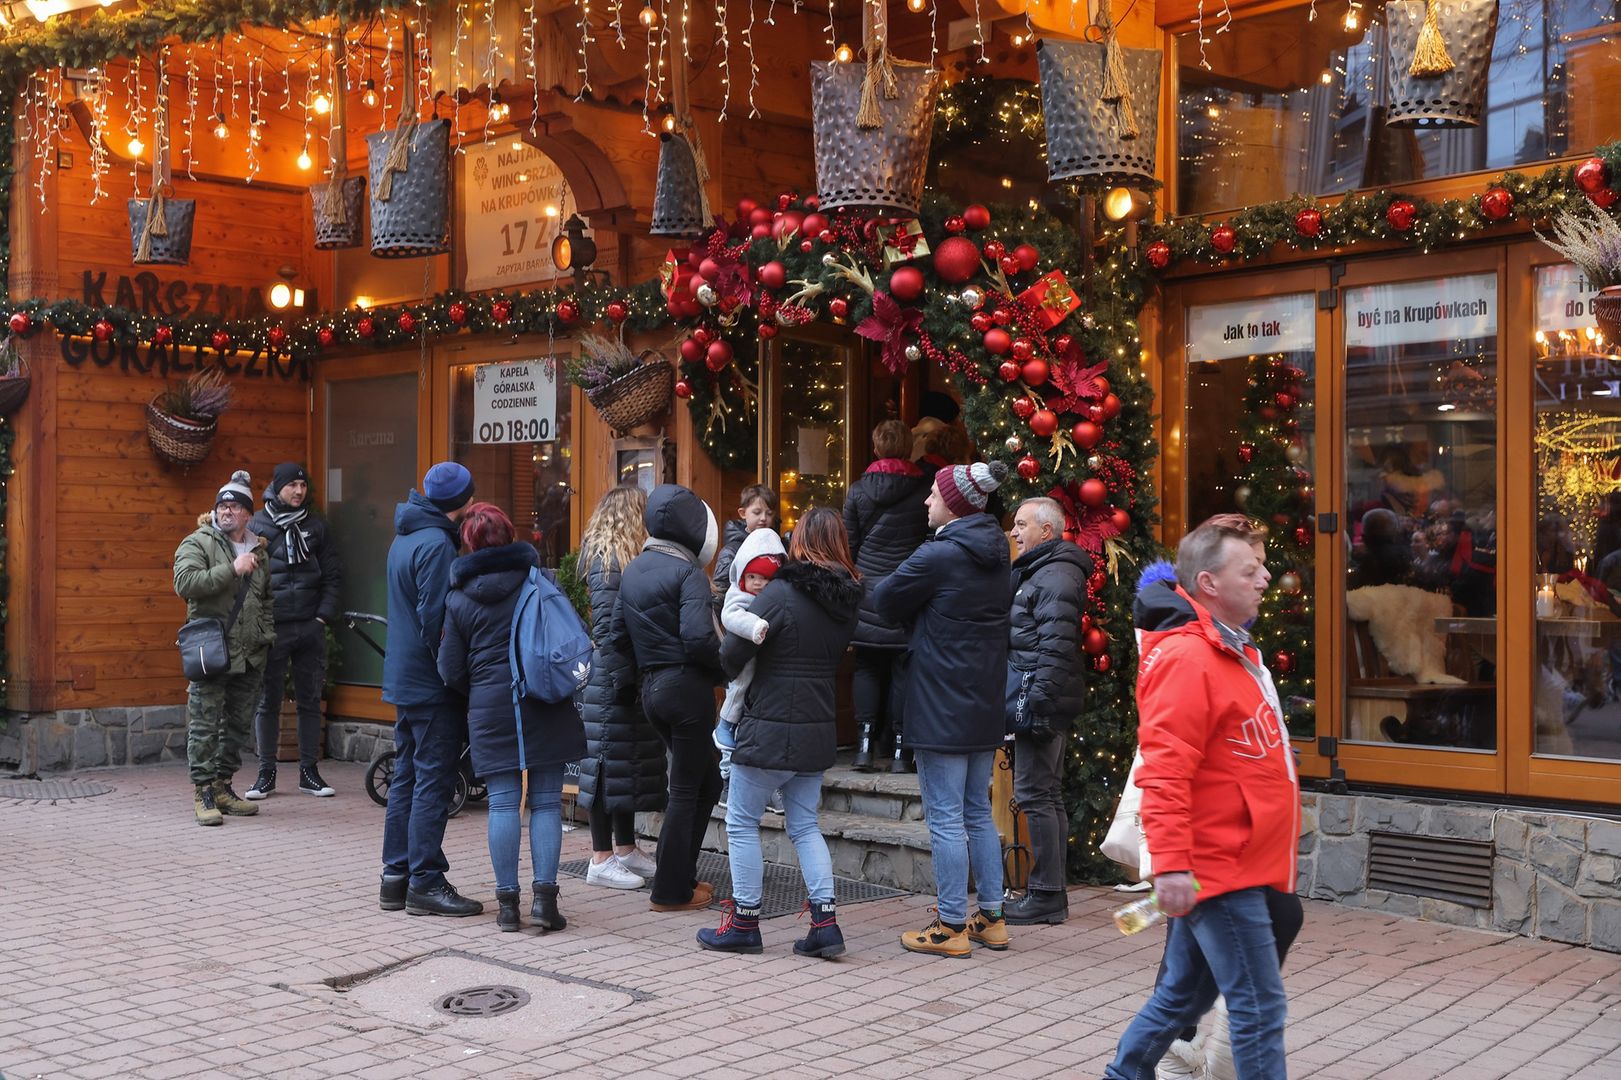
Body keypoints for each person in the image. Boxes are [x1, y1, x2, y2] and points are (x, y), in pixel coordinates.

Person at [1104, 514, 1301, 1080]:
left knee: (1180, 1002)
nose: (1266, 577)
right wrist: (1169, 864)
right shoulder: (1189, 658)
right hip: (1220, 867)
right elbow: (1163, 772)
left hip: (1232, 862)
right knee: (1260, 1008)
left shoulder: (1231, 650)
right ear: (1209, 584)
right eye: (1252, 569)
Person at [699, 507, 863, 957]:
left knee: (741, 821)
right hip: (816, 728)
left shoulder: (783, 592)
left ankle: (745, 922)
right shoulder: (847, 599)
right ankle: (825, 923)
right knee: (806, 825)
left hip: (767, 726)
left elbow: (733, 653)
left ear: (800, 542)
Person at [873, 460, 1013, 958]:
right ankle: (992, 917)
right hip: (982, 703)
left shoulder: (938, 556)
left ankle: (951, 924)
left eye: (933, 493)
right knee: (977, 812)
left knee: (947, 818)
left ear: (954, 502)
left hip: (938, 701)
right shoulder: (1001, 556)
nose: (926, 500)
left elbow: (885, 599)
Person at [437, 503, 587, 933]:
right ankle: (545, 903)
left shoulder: (459, 597)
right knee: (544, 803)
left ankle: (507, 907)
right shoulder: (538, 581)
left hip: (491, 706)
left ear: (468, 542)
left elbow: (450, 669)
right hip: (544, 701)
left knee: (503, 804)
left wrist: (480, 690)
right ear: (509, 534)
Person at [608, 483, 724, 912]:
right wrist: (727, 670)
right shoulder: (688, 573)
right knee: (689, 788)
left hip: (652, 692)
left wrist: (628, 687)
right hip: (686, 690)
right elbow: (698, 638)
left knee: (706, 781)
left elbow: (617, 638)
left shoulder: (635, 568)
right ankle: (671, 890)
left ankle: (681, 877)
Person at [379, 461, 482, 918]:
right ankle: (425, 880)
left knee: (407, 776)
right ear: (464, 503)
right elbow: (435, 623)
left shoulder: (405, 534)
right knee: (433, 780)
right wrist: (456, 674)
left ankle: (395, 878)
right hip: (431, 683)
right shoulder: (438, 543)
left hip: (404, 678)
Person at [1003, 497, 1090, 926]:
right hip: (1044, 697)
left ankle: (1045, 894)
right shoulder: (1046, 570)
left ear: (1047, 532)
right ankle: (1050, 892)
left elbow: (1055, 649)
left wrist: (1035, 702)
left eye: (1021, 525)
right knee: (1047, 793)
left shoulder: (1053, 575)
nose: (1014, 532)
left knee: (1035, 793)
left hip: (1040, 699)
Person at [174, 470, 277, 827]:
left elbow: (265, 599)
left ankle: (222, 786)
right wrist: (231, 569)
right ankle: (202, 790)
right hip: (211, 650)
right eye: (222, 505)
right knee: (205, 724)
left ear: (249, 514)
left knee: (236, 726)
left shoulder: (259, 550)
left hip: (250, 653)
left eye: (235, 506)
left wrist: (266, 635)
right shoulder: (198, 543)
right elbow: (186, 583)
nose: (227, 511)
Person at [576, 486, 665, 891]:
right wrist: (623, 680)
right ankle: (600, 858)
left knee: (622, 766)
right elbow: (610, 630)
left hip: (618, 677)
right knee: (604, 767)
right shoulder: (609, 561)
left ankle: (625, 849)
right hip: (612, 680)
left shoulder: (618, 558)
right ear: (631, 516)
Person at [246, 462, 342, 800]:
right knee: (267, 702)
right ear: (277, 486)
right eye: (292, 486)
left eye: (303, 485)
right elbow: (247, 579)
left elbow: (332, 575)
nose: (299, 491)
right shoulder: (255, 524)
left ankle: (309, 772)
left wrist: (322, 618)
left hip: (310, 627)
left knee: (310, 701)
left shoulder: (316, 526)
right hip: (273, 628)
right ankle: (265, 773)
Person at [842, 419, 929, 772]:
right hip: (907, 589)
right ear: (909, 449)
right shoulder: (925, 490)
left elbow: (848, 544)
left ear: (876, 449)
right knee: (902, 669)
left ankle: (863, 746)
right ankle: (899, 750)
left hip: (868, 590)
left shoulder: (858, 490)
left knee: (866, 666)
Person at [714, 528, 788, 778]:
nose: (759, 583)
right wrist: (755, 627)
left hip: (764, 663)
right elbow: (730, 615)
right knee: (740, 684)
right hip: (744, 659)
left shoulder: (774, 596)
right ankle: (725, 724)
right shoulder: (738, 593)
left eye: (766, 579)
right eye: (754, 576)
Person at [711, 483, 778, 600]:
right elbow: (720, 592)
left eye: (769, 514)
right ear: (743, 513)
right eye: (757, 512)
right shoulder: (731, 551)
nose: (763, 518)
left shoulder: (778, 547)